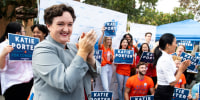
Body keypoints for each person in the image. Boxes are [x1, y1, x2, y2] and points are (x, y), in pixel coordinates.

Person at [32, 4, 101, 100]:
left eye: (70, 24)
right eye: (60, 24)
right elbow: (66, 84)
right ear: (49, 26)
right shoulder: (42, 50)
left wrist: (90, 58)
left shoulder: (74, 47)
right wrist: (83, 52)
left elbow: (96, 73)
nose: (66, 29)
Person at [0, 22, 33, 100]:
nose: (25, 34)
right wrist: (3, 55)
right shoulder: (3, 46)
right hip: (14, 86)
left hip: (30, 83)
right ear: (18, 33)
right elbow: (1, 68)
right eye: (24, 31)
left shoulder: (28, 45)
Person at [153, 33, 191, 100]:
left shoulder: (169, 57)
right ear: (168, 45)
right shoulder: (165, 59)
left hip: (167, 91)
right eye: (175, 43)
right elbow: (172, 82)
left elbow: (172, 71)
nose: (176, 45)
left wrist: (182, 66)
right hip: (163, 92)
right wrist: (181, 70)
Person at [98, 26, 114, 91]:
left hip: (110, 67)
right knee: (106, 87)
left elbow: (112, 60)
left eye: (110, 39)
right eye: (108, 39)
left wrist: (111, 57)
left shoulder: (111, 49)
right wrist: (102, 33)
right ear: (105, 40)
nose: (109, 41)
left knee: (108, 86)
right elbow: (99, 43)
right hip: (103, 67)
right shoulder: (102, 46)